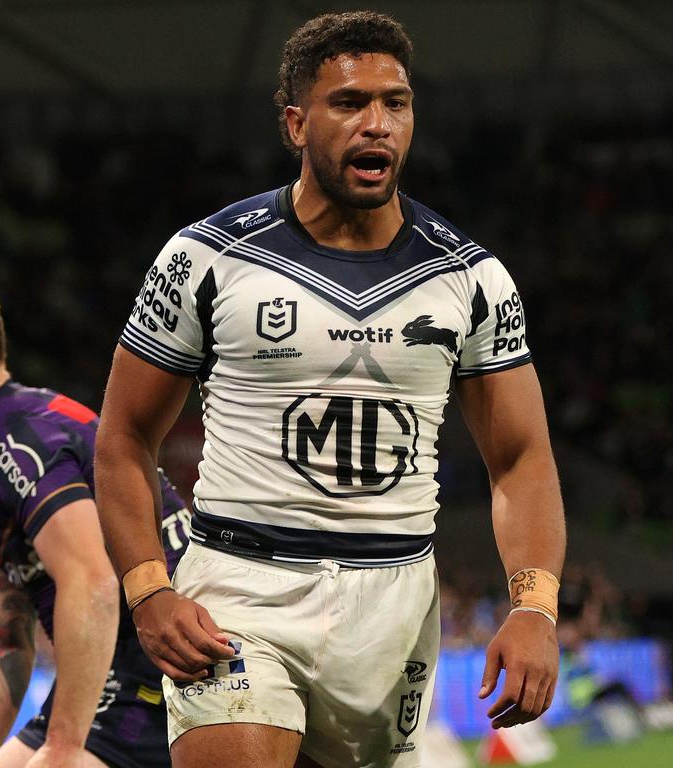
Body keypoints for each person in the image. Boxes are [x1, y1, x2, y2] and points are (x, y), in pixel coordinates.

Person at [95, 10, 565, 768]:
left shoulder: (471, 278)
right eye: (349, 104)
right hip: (242, 589)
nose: (377, 124)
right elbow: (122, 436)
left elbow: (520, 457)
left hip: (394, 604)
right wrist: (149, 590)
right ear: (295, 123)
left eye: (396, 103)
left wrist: (535, 606)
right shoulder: (207, 256)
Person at [0, 270, 191, 768]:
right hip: (113, 669)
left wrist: (64, 749)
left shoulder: (16, 439)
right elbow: (4, 644)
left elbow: (92, 581)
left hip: (157, 665)